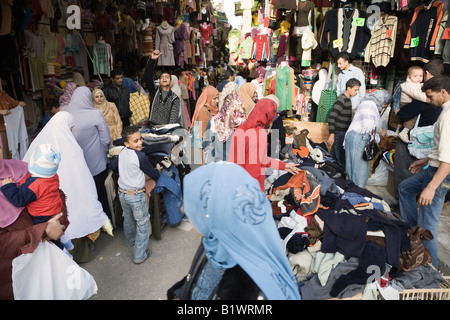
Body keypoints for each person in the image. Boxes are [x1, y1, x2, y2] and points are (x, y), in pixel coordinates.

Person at [168, 162, 301, 300]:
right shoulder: (217, 239)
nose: (183, 209)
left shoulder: (254, 290)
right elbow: (199, 278)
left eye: (193, 206)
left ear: (216, 214)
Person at [22, 111, 108, 263]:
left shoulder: (39, 145)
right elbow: (81, 176)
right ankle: (78, 255)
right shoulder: (71, 147)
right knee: (74, 220)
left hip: (43, 204)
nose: (72, 131)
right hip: (65, 197)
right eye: (71, 128)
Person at [398, 75, 450, 268]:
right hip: (434, 167)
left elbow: (448, 160)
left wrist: (431, 188)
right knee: (405, 188)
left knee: (429, 225)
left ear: (443, 93)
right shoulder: (445, 113)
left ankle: (430, 273)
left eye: (430, 96)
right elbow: (444, 150)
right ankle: (414, 235)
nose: (428, 101)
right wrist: (425, 160)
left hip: (440, 174)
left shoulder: (447, 117)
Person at [0, 143, 72, 252]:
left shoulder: (18, 167)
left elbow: (55, 194)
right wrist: (43, 230)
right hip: (18, 261)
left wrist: (56, 223)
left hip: (47, 239)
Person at [108, 126, 161, 264]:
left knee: (128, 219)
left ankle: (130, 241)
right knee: (142, 224)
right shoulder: (141, 156)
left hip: (123, 193)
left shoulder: (122, 152)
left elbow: (112, 166)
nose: (140, 143)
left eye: (140, 139)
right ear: (127, 143)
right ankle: (139, 255)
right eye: (136, 141)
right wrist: (158, 170)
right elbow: (152, 173)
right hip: (136, 196)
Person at [393, 59, 443, 201]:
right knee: (421, 172)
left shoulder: (427, 90)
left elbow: (405, 113)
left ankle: (402, 204)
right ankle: (417, 201)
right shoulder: (444, 91)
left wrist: (399, 113)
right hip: (431, 139)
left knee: (405, 171)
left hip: (412, 139)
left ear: (427, 73)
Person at [228, 98, 301, 191]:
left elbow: (260, 159)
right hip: (249, 191)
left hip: (234, 184)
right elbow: (253, 171)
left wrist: (284, 166)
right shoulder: (259, 134)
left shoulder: (242, 127)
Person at [65, 87, 112, 224]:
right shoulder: (94, 114)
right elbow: (106, 139)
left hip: (75, 163)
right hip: (96, 162)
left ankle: (88, 225)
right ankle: (105, 221)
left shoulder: (66, 113)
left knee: (82, 194)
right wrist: (106, 152)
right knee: (100, 192)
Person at [344, 89, 392, 188]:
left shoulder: (366, 103)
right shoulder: (369, 105)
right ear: (382, 100)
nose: (385, 106)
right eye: (385, 104)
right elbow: (368, 126)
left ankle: (353, 194)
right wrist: (381, 131)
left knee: (354, 170)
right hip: (359, 139)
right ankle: (356, 196)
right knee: (359, 172)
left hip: (355, 138)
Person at [204, 88, 247, 163]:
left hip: (218, 165)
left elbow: (206, 143)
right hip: (235, 166)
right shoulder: (243, 123)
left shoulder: (214, 121)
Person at [327, 78, 361, 166]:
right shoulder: (341, 100)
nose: (356, 92)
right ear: (348, 88)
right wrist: (332, 134)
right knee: (340, 159)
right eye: (355, 90)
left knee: (337, 157)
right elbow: (331, 117)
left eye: (357, 90)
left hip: (342, 133)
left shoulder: (347, 99)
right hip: (338, 133)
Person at [142, 50, 180, 126]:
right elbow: (147, 77)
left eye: (167, 77)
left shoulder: (175, 98)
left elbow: (173, 116)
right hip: (152, 127)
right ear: (159, 81)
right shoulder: (155, 91)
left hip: (165, 129)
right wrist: (152, 60)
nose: (164, 78)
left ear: (171, 82)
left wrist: (168, 130)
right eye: (162, 77)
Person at [397, 65, 428, 143]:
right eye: (415, 76)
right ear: (409, 77)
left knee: (402, 120)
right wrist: (428, 99)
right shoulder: (408, 85)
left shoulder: (416, 84)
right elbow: (416, 94)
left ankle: (398, 130)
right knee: (413, 117)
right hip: (406, 103)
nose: (419, 78)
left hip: (408, 103)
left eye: (421, 76)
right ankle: (404, 131)